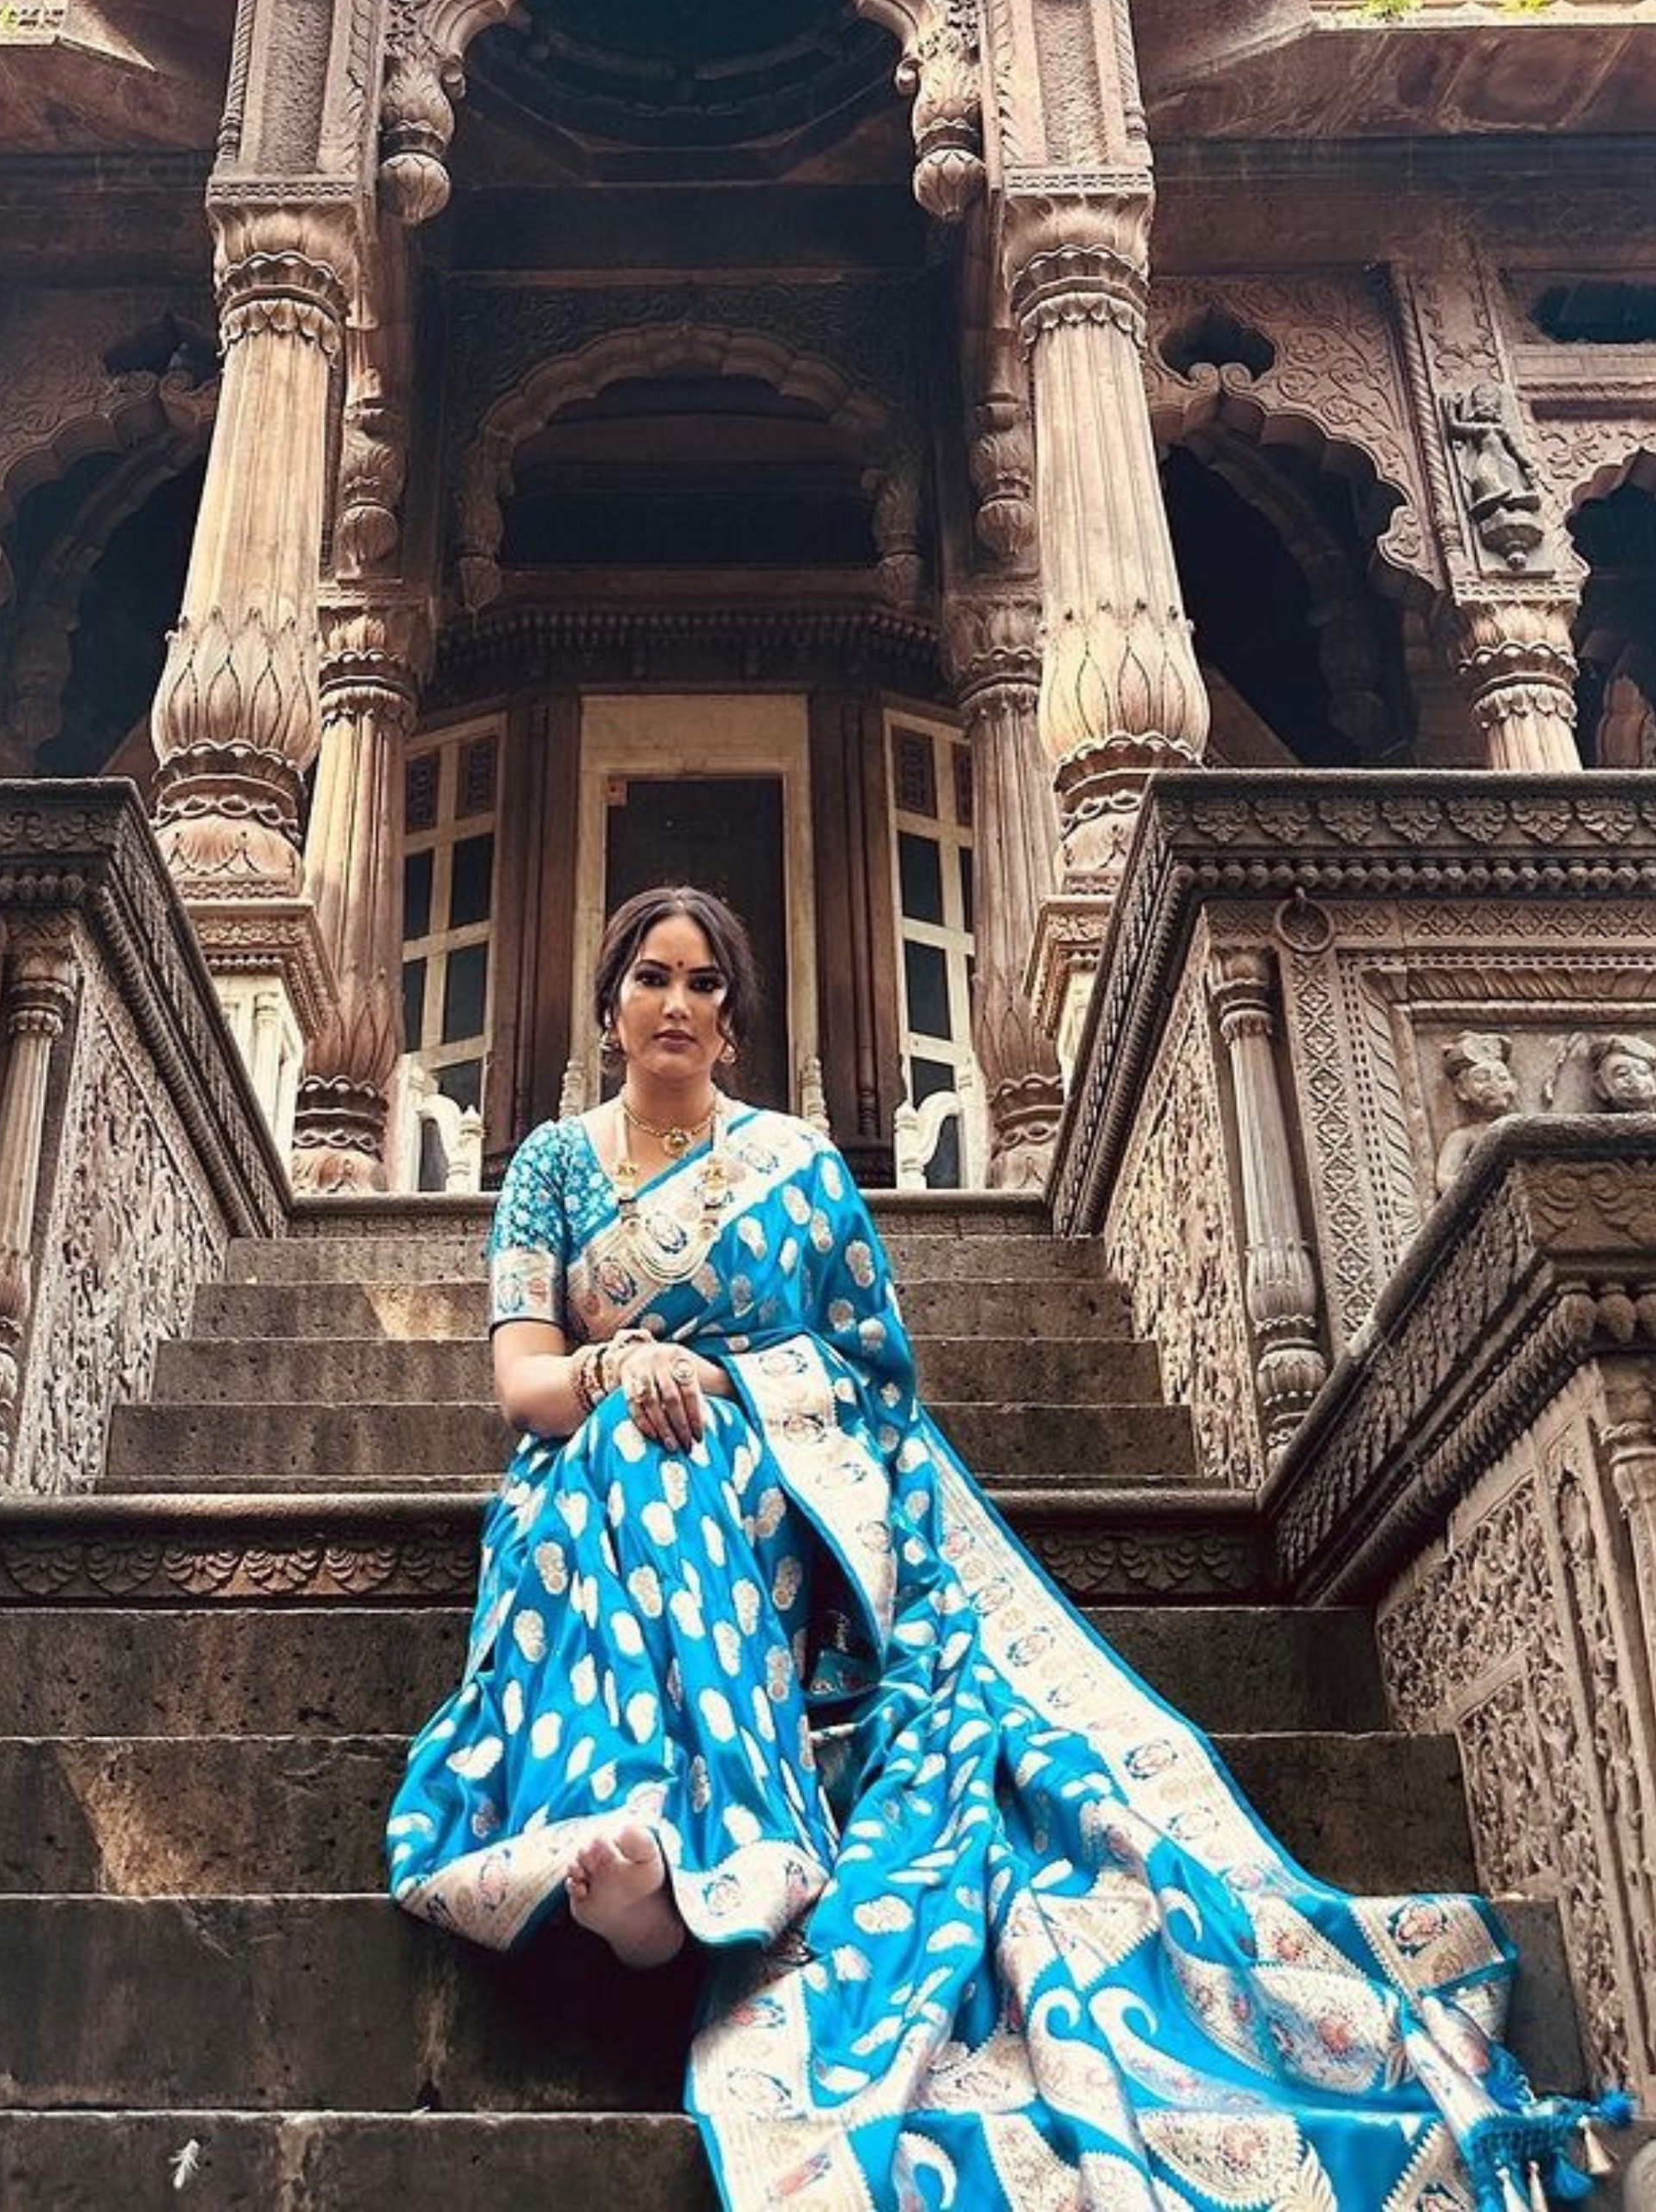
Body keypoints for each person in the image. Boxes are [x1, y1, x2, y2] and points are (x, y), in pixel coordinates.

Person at [388, 885, 1612, 2210]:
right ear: (610, 1004)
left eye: (703, 983)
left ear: (732, 1021)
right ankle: (631, 1838)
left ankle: (720, 1848)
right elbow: (522, 1377)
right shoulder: (554, 1167)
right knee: (635, 1457)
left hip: (781, 1488)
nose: (676, 1003)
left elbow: (871, 1372)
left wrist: (724, 1385)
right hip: (589, 1470)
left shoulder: (796, 1165)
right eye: (651, 977)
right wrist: (620, 1365)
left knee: (678, 1463)